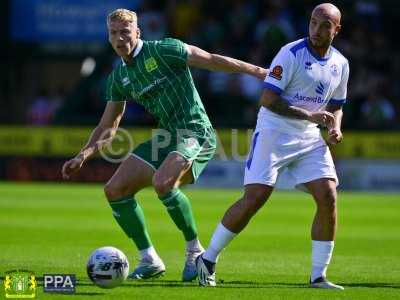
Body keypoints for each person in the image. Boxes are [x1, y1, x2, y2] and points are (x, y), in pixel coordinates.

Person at [61, 8, 267, 282]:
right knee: (114, 190)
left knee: (163, 182)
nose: (120, 38)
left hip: (197, 131)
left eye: (125, 31)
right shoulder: (118, 78)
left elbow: (211, 60)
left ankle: (195, 252)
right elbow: (108, 126)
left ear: (138, 32)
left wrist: (257, 71)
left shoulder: (164, 50)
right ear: (109, 38)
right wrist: (83, 155)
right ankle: (149, 259)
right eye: (114, 33)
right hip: (167, 137)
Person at [196, 3, 349, 290]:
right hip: (274, 131)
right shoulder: (290, 54)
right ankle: (207, 260)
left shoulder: (341, 63)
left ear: (336, 29)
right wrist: (312, 116)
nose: (317, 29)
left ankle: (318, 276)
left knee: (328, 195)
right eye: (314, 22)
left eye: (325, 25)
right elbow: (268, 100)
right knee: (255, 197)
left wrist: (335, 127)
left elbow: (337, 106)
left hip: (309, 137)